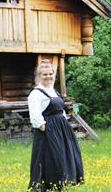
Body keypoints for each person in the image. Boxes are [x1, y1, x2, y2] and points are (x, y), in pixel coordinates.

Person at [28, 59, 84, 191]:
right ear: (39, 76)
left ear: (54, 75)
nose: (48, 77)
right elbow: (36, 117)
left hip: (61, 131)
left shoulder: (54, 91)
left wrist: (64, 128)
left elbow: (61, 111)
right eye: (45, 74)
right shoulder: (36, 94)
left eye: (50, 74)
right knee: (51, 159)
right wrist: (47, 130)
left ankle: (62, 184)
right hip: (48, 132)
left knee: (63, 157)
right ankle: (49, 187)